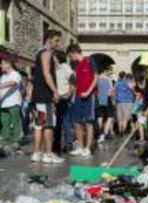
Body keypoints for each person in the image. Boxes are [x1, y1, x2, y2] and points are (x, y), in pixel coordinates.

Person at [31, 29, 64, 163]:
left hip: (39, 95)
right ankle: (48, 154)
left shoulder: (40, 53)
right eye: (56, 40)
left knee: (39, 124)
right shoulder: (46, 53)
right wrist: (55, 91)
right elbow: (46, 73)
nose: (58, 43)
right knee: (48, 125)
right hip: (45, 95)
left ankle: (36, 153)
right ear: (49, 39)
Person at [66, 44, 98, 158]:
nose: (70, 59)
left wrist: (88, 92)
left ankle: (87, 148)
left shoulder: (89, 60)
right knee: (76, 122)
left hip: (89, 96)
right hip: (78, 96)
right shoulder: (77, 66)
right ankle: (80, 146)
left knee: (88, 123)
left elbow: (96, 77)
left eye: (70, 56)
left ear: (74, 53)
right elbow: (76, 83)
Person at [53, 50, 75, 153]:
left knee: (65, 121)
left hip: (63, 97)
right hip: (55, 98)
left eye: (54, 57)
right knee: (57, 123)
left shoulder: (65, 67)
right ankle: (56, 144)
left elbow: (73, 79)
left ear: (58, 57)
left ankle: (68, 144)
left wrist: (70, 92)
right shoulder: (54, 68)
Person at [0, 58, 23, 150]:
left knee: (15, 122)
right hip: (3, 103)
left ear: (8, 64)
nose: (0, 66)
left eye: (2, 64)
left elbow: (11, 83)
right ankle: (5, 141)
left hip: (13, 102)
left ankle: (16, 142)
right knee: (4, 124)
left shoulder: (15, 74)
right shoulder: (2, 77)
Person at [96, 70, 115, 143]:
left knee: (100, 117)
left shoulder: (97, 78)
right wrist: (113, 99)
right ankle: (105, 133)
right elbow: (112, 90)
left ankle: (100, 133)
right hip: (108, 99)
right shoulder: (108, 79)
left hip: (99, 99)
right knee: (110, 116)